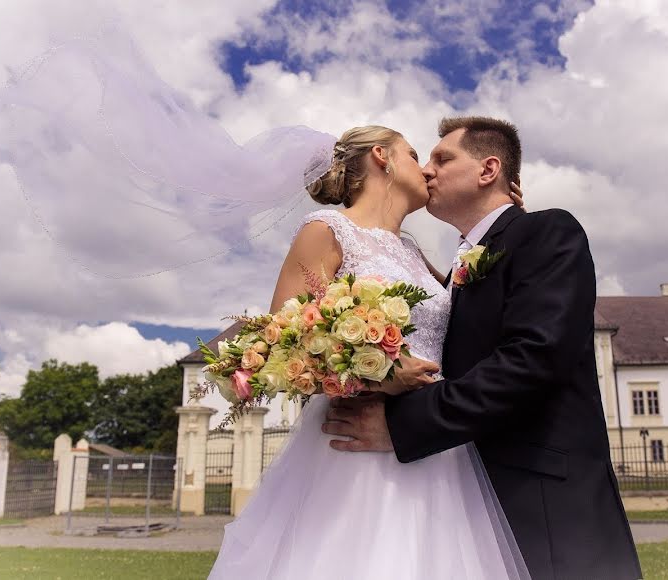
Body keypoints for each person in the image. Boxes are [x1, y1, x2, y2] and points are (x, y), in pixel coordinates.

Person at [322, 117, 643, 579]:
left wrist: (403, 423)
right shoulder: (449, 269)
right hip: (459, 500)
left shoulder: (546, 232)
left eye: (442, 158)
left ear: (488, 169)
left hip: (544, 504)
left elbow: (533, 358)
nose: (427, 170)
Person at [208, 125, 531, 579]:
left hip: (431, 442)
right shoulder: (327, 230)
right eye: (417, 154)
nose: (426, 170)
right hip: (356, 445)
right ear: (383, 157)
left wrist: (509, 224)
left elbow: (469, 316)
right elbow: (281, 342)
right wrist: (378, 374)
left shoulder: (414, 250)